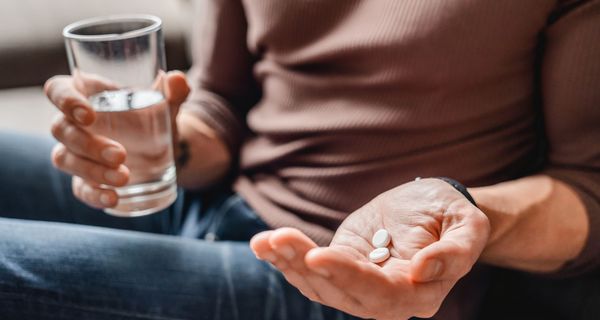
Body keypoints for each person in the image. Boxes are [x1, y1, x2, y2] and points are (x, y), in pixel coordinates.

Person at [1, 0, 599, 319]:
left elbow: (588, 187)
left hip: (351, 279)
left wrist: (465, 208)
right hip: (214, 199)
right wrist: (160, 139)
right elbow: (223, 104)